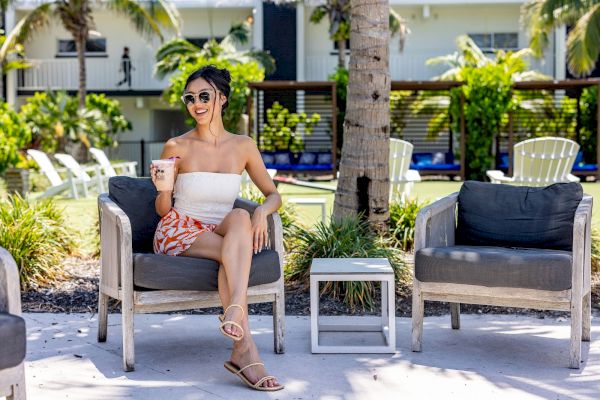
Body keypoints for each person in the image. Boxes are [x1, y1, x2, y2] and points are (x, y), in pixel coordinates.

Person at [150, 65, 284, 392]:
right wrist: (163, 189)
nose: (197, 103)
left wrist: (261, 213)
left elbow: (273, 194)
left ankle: (236, 323)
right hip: (179, 228)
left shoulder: (243, 146)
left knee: (240, 216)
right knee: (232, 251)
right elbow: (163, 211)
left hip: (223, 228)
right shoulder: (175, 145)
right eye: (190, 98)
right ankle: (244, 346)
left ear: (221, 99)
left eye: (204, 96)